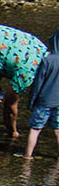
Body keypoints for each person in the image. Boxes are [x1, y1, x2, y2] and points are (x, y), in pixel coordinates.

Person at [24, 30, 59, 159]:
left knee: (35, 129)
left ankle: (28, 155)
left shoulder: (47, 60)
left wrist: (31, 101)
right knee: (57, 129)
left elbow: (38, 83)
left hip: (44, 102)